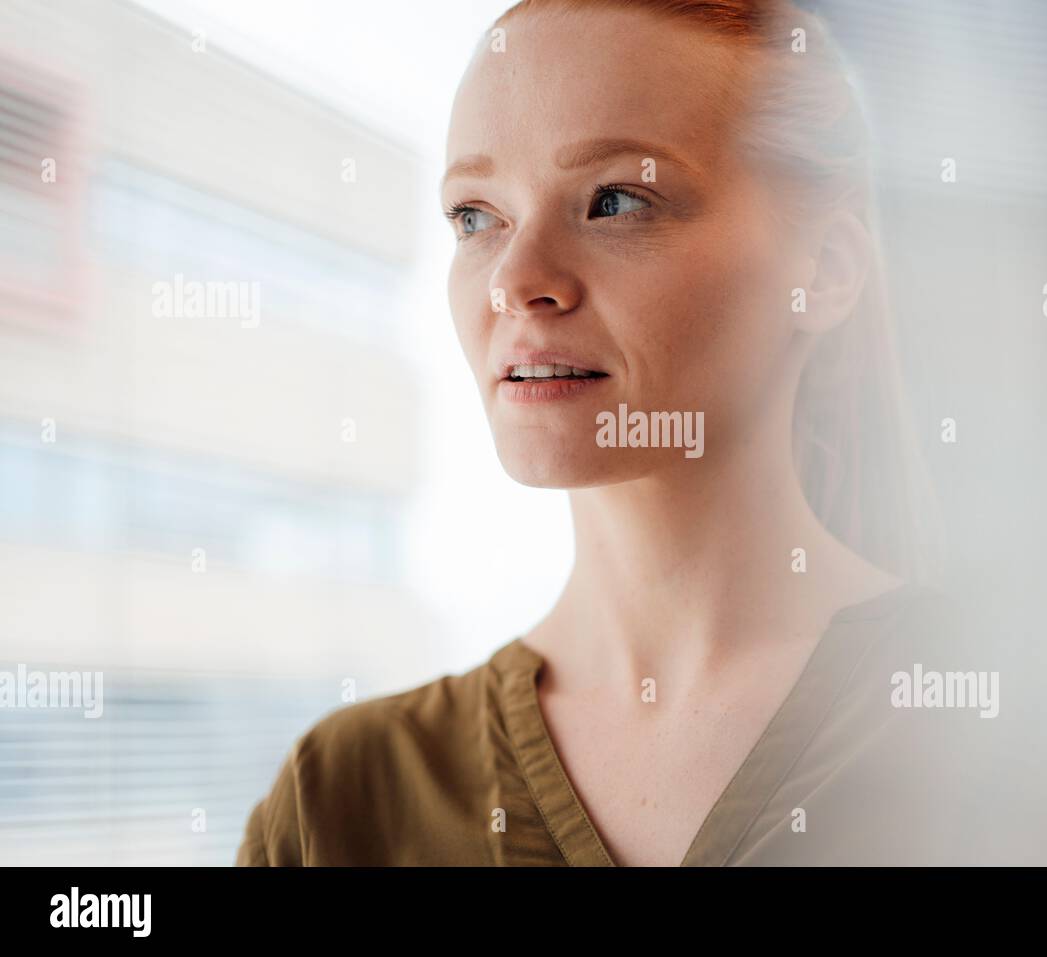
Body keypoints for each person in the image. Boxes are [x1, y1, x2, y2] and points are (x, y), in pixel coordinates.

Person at [236, 0, 962, 868]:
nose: (515, 280)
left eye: (617, 200)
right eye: (475, 215)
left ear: (827, 271)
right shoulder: (339, 802)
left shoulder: (1024, 724)